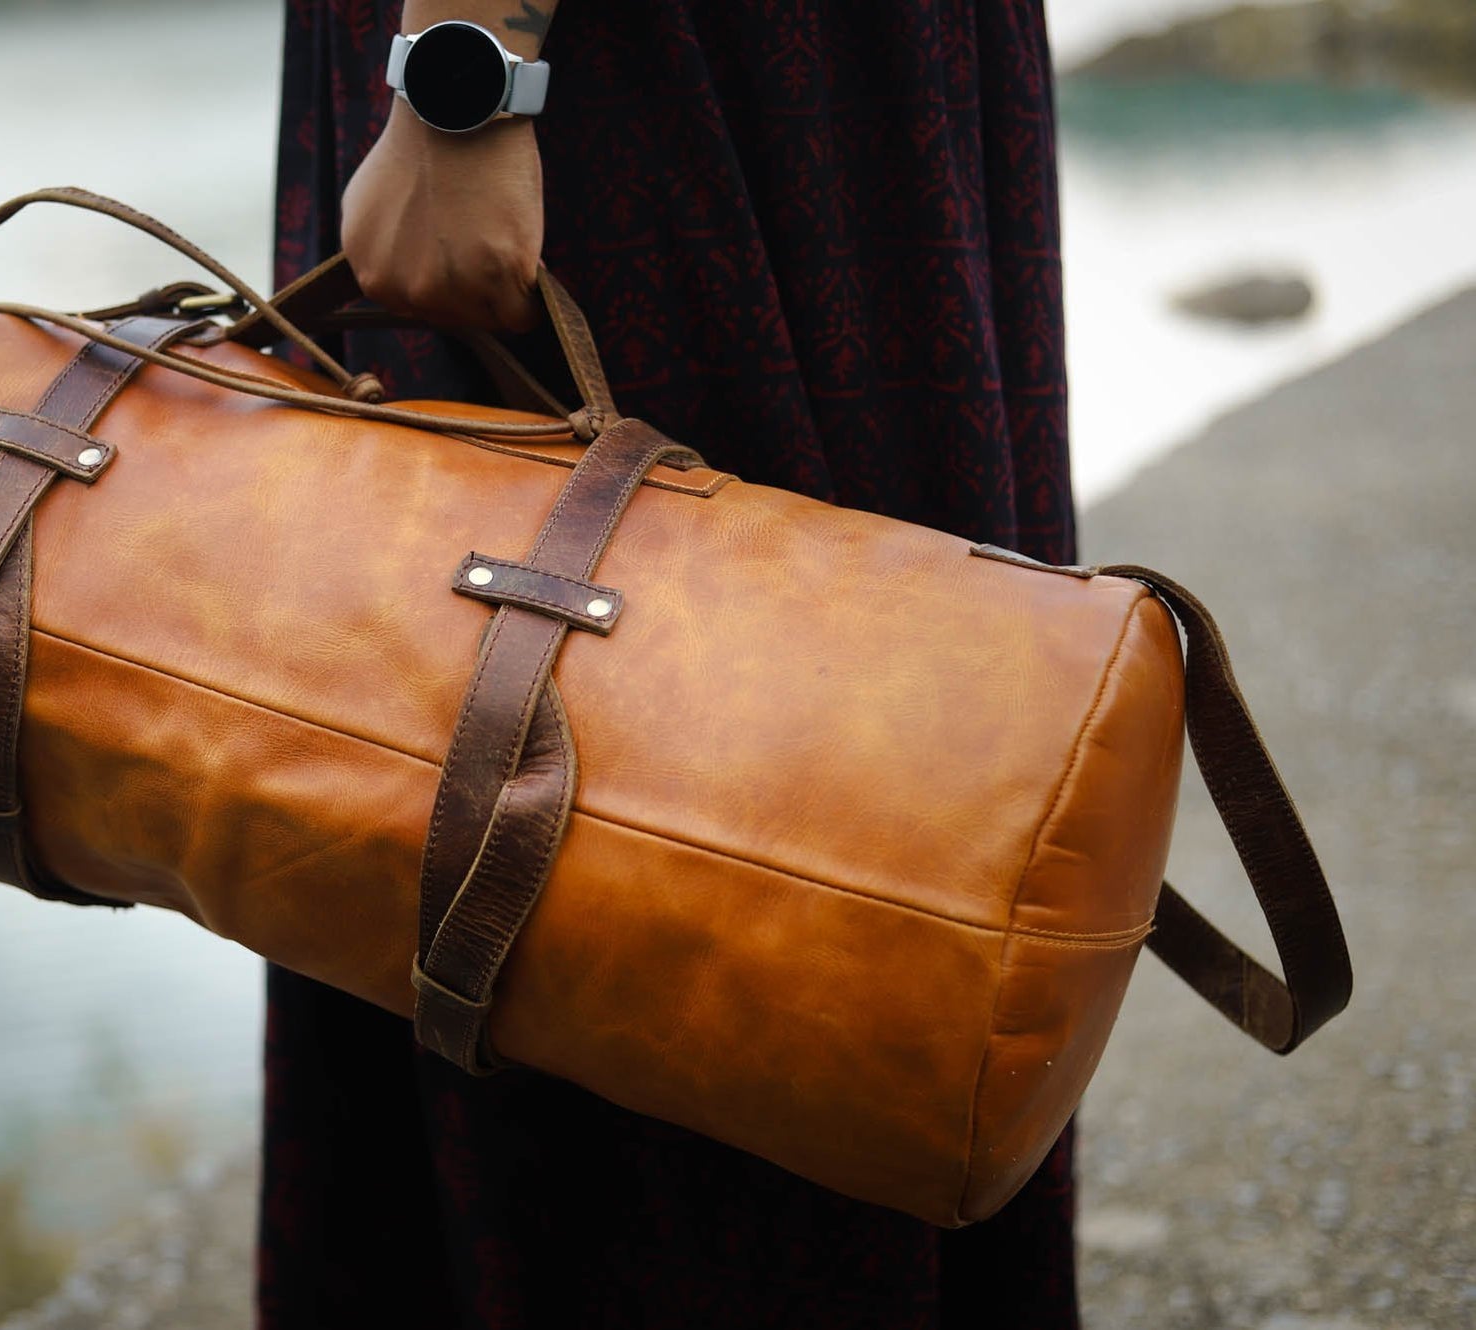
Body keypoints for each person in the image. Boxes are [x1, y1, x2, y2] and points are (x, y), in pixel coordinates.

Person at [262, 2, 1080, 1325]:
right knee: (864, 796)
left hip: (648, 80)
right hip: (862, 83)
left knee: (646, 864)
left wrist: (464, 75)